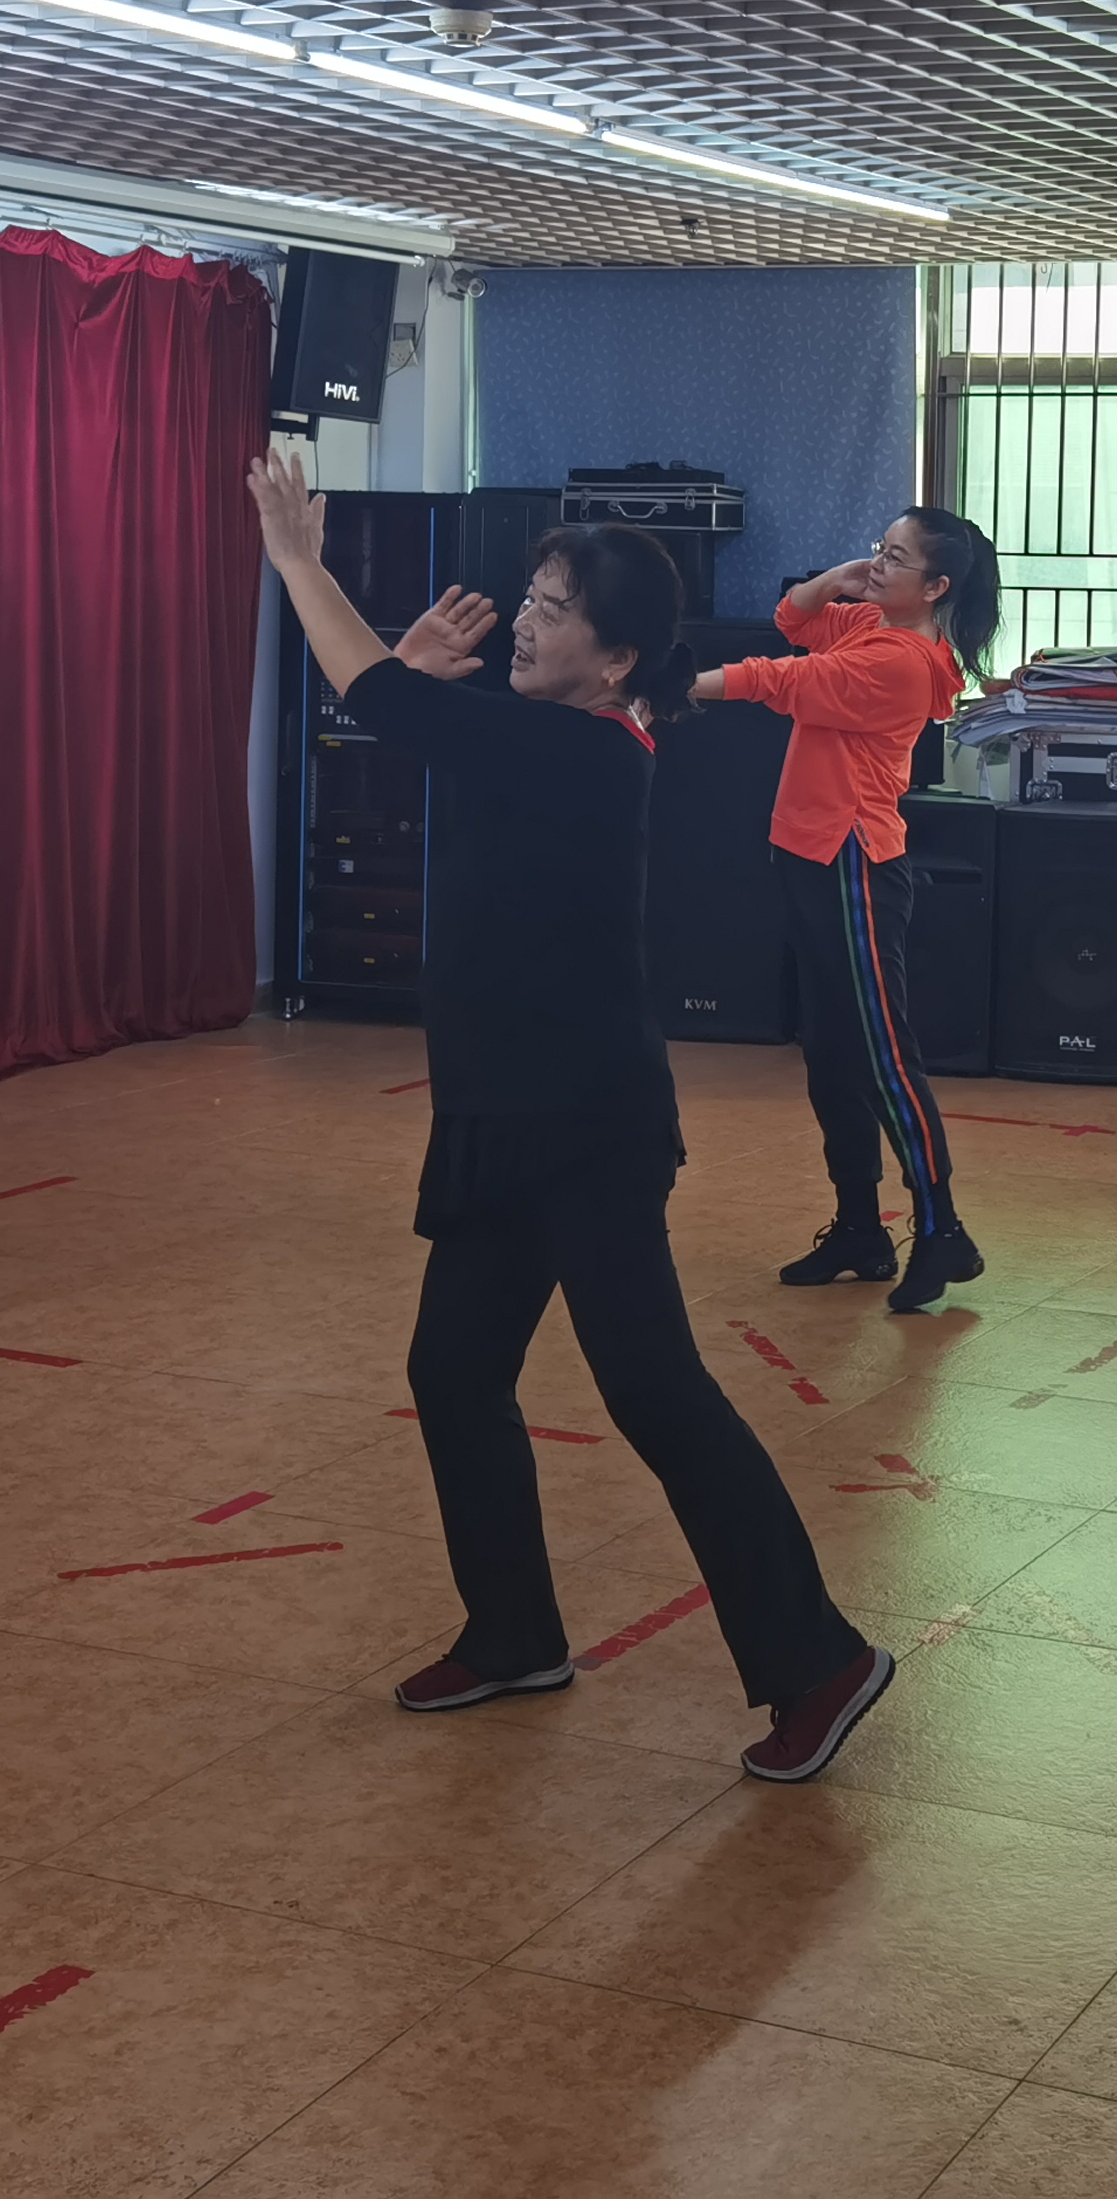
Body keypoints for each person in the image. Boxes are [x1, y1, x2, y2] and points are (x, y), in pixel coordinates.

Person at [244, 450, 891, 1781]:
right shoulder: (536, 734)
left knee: (654, 1391)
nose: (526, 622)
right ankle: (515, 1634)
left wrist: (302, 564)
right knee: (453, 1373)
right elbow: (402, 716)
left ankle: (819, 1657)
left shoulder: (588, 750)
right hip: (502, 1114)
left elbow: (380, 700)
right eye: (530, 597)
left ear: (617, 660)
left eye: (555, 609)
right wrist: (410, 676)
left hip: (584, 1125)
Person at [689, 508, 997, 1313]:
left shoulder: (902, 660)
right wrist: (837, 579)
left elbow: (784, 680)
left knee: (885, 1056)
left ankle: (942, 1229)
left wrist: (677, 686)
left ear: (937, 587)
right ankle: (860, 1227)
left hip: (853, 862)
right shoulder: (869, 624)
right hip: (808, 856)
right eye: (878, 550)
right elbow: (794, 621)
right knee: (830, 1054)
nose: (878, 566)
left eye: (897, 559)